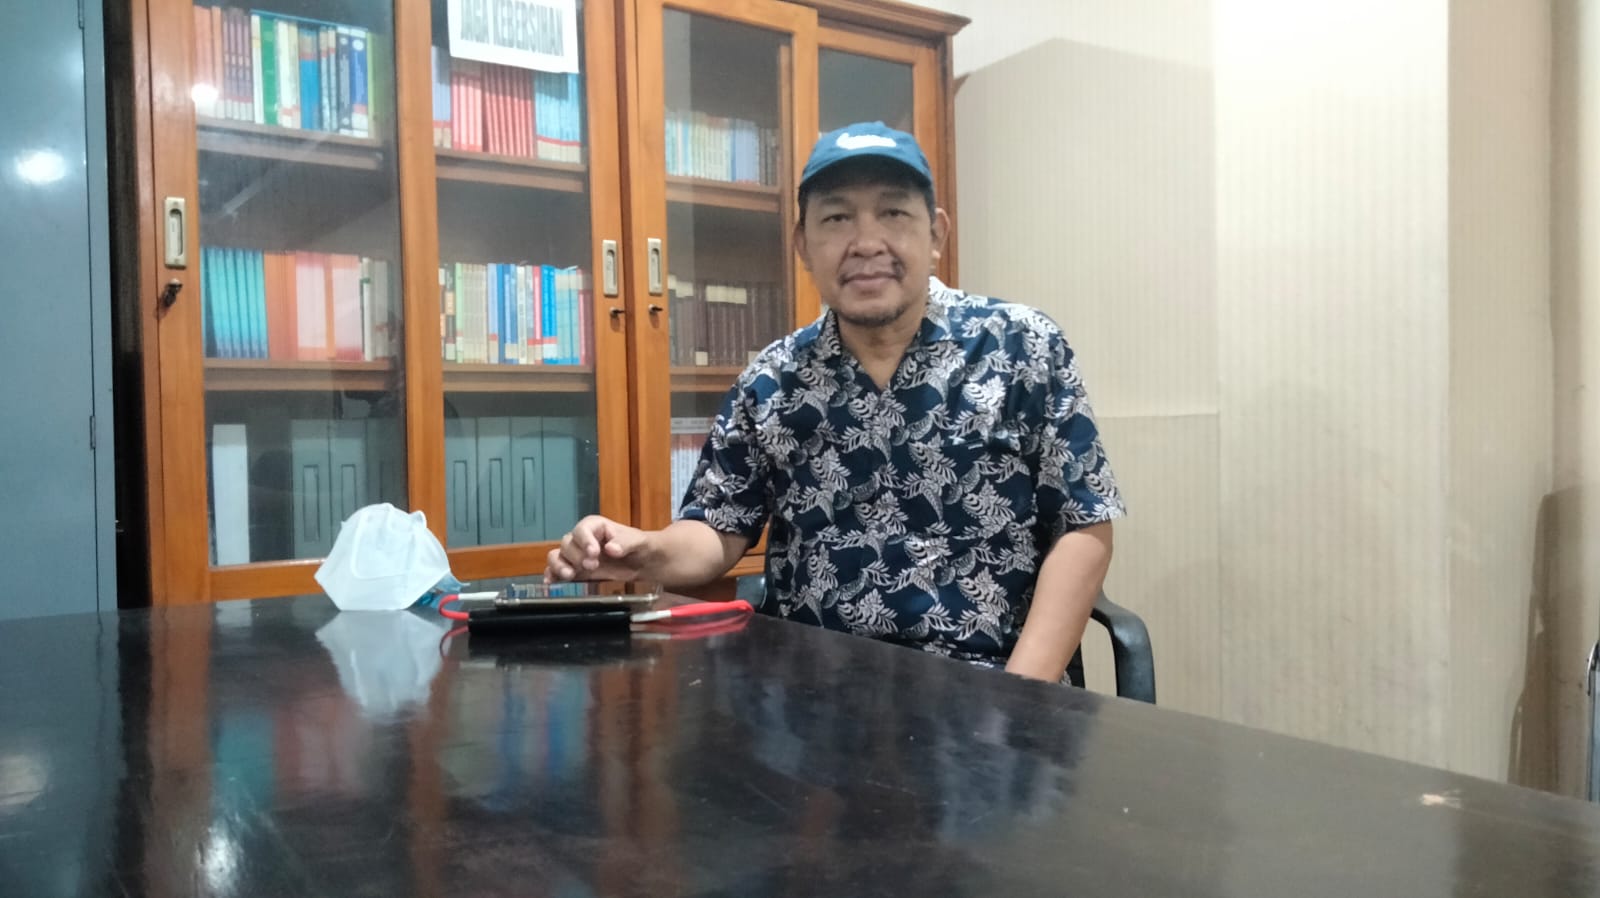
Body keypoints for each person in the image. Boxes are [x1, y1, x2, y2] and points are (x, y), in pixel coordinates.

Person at [547, 121, 1124, 682]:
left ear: (936, 233)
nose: (866, 243)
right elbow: (717, 532)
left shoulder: (1023, 347)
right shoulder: (772, 379)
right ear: (803, 244)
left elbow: (1084, 526)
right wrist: (642, 550)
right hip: (813, 692)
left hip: (987, 682)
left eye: (893, 213)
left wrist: (1021, 695)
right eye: (837, 218)